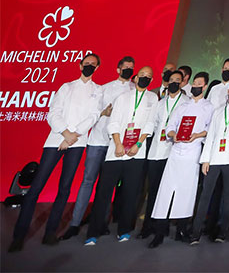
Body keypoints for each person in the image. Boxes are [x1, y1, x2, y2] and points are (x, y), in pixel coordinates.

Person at [9, 53, 103, 253]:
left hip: (77, 142)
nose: (89, 66)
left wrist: (73, 136)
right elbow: (53, 113)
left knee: (65, 188)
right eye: (86, 63)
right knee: (36, 186)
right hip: (56, 140)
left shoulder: (98, 91)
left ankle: (50, 233)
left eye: (93, 64)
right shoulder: (66, 87)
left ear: (97, 68)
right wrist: (65, 134)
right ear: (80, 66)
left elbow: (94, 116)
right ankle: (19, 236)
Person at [63, 55, 135, 240]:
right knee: (88, 181)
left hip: (116, 145)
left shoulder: (134, 90)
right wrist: (103, 112)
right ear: (118, 69)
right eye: (125, 67)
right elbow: (93, 113)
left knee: (107, 186)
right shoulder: (104, 88)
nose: (128, 70)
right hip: (97, 140)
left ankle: (101, 222)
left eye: (131, 68)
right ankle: (75, 223)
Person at [84, 66, 158, 245]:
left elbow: (150, 124)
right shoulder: (123, 97)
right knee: (103, 193)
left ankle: (124, 230)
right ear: (136, 78)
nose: (145, 78)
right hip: (115, 152)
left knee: (130, 194)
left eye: (148, 76)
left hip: (136, 154)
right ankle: (93, 232)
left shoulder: (152, 98)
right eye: (142, 75)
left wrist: (138, 144)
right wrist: (118, 143)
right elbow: (114, 122)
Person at [148, 72, 213, 248]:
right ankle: (160, 232)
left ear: (205, 86)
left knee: (187, 192)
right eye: (194, 83)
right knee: (166, 191)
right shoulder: (182, 106)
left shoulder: (209, 107)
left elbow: (210, 129)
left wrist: (197, 135)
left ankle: (181, 230)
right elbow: (170, 125)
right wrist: (173, 134)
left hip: (193, 153)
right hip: (176, 152)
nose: (196, 86)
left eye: (199, 84)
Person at [190, 80, 229, 244]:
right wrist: (205, 160)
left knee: (228, 196)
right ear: (228, 91)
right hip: (214, 159)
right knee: (206, 195)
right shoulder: (217, 112)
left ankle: (222, 232)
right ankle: (195, 233)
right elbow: (211, 136)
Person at [139, 70, 185, 239]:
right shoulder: (160, 102)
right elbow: (153, 123)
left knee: (167, 192)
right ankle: (148, 225)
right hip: (155, 151)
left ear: (182, 83)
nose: (173, 83)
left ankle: (162, 227)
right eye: (171, 80)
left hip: (172, 152)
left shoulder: (185, 103)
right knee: (152, 189)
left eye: (177, 80)